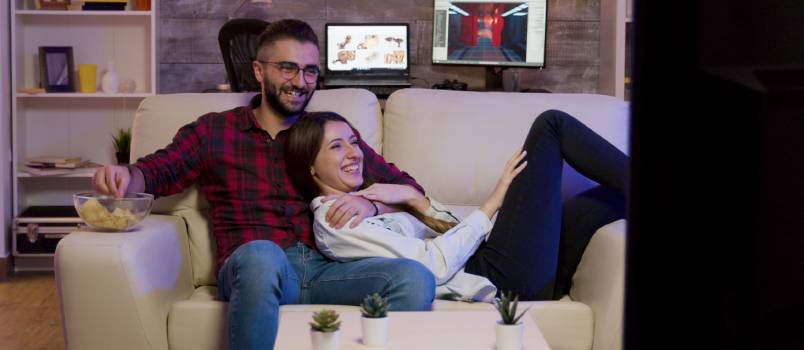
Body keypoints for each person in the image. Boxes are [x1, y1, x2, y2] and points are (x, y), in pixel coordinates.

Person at [91, 19, 435, 350]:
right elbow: (156, 171)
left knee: (415, 279)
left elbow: (409, 190)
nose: (300, 81)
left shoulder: (327, 133)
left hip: (328, 271)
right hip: (253, 267)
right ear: (259, 70)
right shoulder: (214, 131)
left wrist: (371, 203)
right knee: (262, 255)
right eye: (288, 68)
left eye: (310, 71)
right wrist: (125, 175)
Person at [285, 109, 629, 302]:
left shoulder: (368, 201)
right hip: (496, 276)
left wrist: (412, 199)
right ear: (310, 166)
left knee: (612, 196)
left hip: (501, 261)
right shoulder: (335, 220)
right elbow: (431, 268)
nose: (353, 153)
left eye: (354, 141)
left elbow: (449, 228)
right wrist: (495, 200)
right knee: (551, 126)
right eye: (336, 147)